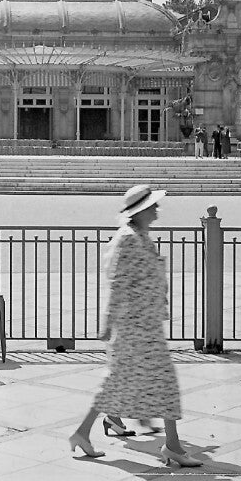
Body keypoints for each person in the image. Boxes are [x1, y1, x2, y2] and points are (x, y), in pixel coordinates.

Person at [70, 185, 201, 466]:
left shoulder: (139, 236)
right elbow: (119, 283)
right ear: (139, 211)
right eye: (152, 206)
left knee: (137, 382)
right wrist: (108, 321)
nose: (157, 210)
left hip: (145, 323)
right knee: (155, 382)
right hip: (134, 327)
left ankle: (84, 433)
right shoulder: (129, 239)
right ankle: (172, 446)